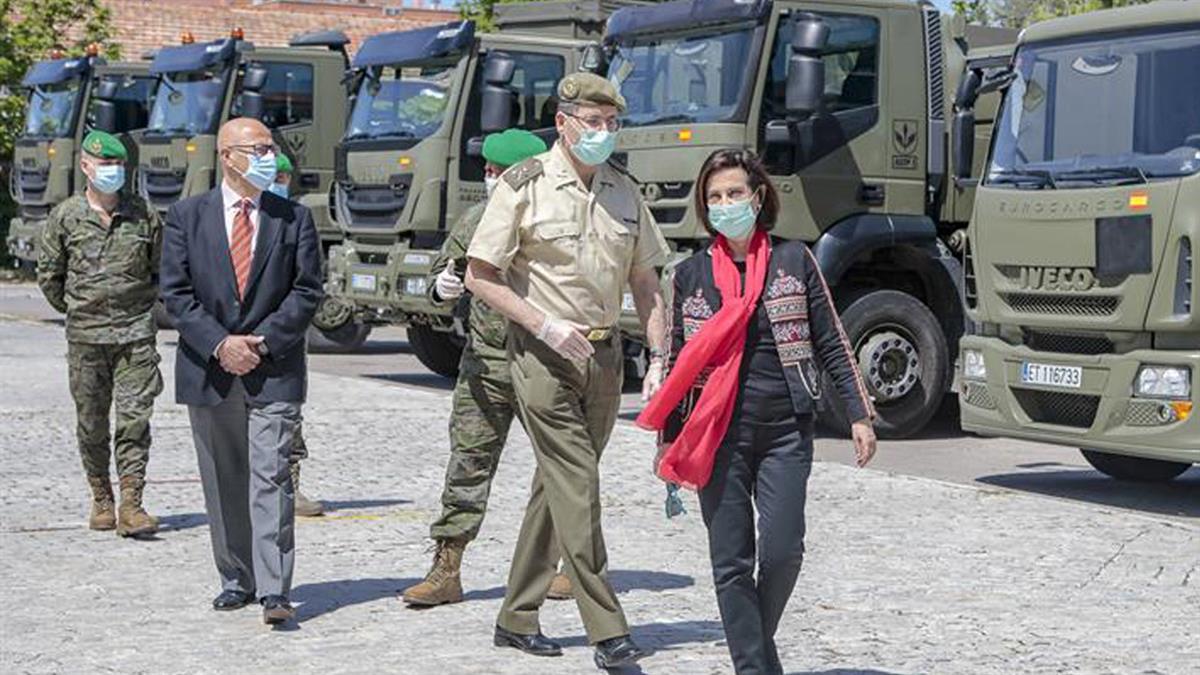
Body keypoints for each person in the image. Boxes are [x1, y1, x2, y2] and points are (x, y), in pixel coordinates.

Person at [638, 149, 878, 675]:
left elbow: (832, 340)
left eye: (734, 193)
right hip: (715, 433)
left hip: (786, 430)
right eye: (715, 197)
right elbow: (678, 361)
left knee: (784, 550)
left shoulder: (795, 260)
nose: (725, 204)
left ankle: (754, 647)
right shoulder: (691, 274)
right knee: (731, 563)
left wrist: (859, 412)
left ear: (758, 196)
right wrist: (669, 444)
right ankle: (756, 667)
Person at [466, 73, 670, 669]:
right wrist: (543, 324)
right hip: (543, 353)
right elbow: (481, 273)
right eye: (593, 122)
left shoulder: (623, 191)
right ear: (563, 123)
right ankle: (607, 629)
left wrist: (659, 358)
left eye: (612, 123)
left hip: (606, 358)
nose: (604, 133)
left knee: (557, 487)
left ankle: (515, 615)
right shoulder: (524, 186)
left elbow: (646, 281)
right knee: (578, 484)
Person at [159, 117, 323, 625]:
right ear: (228, 156)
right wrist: (220, 345)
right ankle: (237, 578)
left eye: (270, 147)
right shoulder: (187, 216)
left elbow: (308, 289)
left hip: (273, 367)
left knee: (271, 477)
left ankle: (275, 589)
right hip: (210, 369)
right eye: (258, 148)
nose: (268, 156)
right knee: (224, 477)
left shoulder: (294, 218)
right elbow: (175, 294)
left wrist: (263, 342)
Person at [402, 129, 575, 607]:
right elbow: (438, 282)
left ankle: (566, 565)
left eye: (499, 173)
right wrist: (444, 287)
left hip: (547, 363)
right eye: (493, 173)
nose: (492, 179)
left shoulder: (560, 221)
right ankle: (447, 568)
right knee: (468, 464)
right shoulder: (478, 218)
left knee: (561, 468)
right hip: (487, 366)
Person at [37, 130, 163, 538]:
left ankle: (132, 504)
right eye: (104, 164)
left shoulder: (144, 214)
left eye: (117, 165)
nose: (112, 171)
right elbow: (49, 278)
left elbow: (160, 270)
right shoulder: (66, 216)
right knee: (91, 423)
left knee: (134, 420)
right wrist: (79, 309)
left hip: (135, 337)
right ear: (86, 167)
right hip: (86, 339)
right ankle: (102, 498)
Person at [270, 152, 325, 518]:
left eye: (284, 177)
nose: (278, 182)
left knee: (289, 415)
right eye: (274, 175)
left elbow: (309, 282)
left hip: (286, 333)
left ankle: (289, 487)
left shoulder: (297, 219)